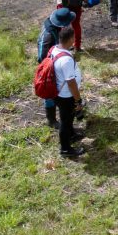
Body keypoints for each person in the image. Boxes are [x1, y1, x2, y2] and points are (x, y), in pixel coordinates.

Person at [37, 7, 76, 130]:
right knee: (50, 91)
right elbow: (41, 57)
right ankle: (51, 119)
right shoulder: (48, 34)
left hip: (57, 61)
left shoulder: (57, 28)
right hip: (50, 66)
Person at [50, 25, 85, 158]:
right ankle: (65, 149)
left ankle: (71, 135)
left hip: (58, 92)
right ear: (71, 39)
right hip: (65, 95)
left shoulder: (55, 49)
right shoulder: (66, 60)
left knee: (68, 117)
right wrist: (78, 100)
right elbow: (71, 83)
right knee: (65, 120)